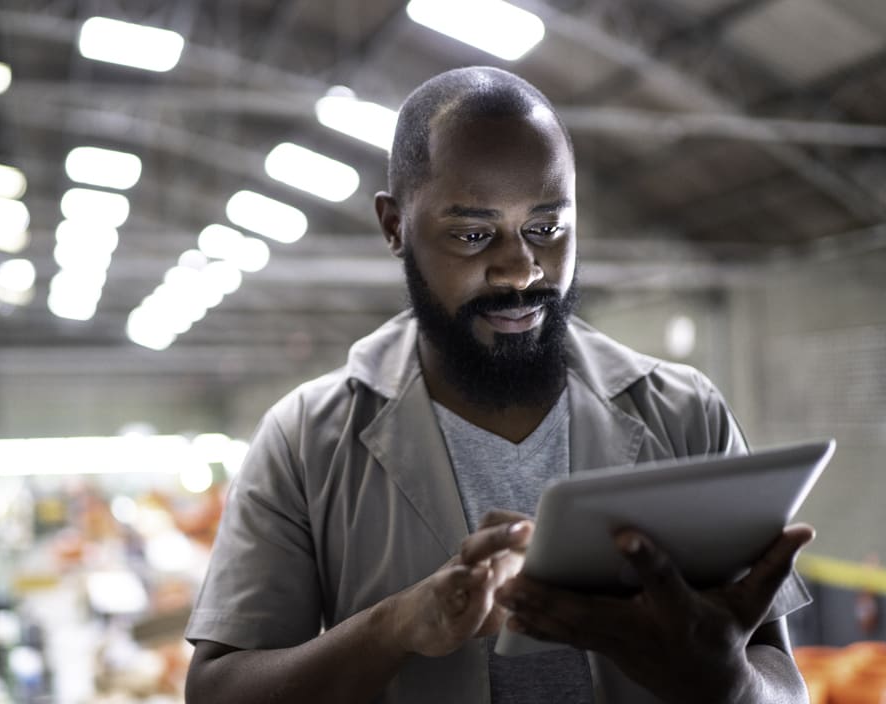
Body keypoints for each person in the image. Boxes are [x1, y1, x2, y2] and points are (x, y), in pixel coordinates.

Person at [183, 66, 814, 704]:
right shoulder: (306, 440)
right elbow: (216, 692)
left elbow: (782, 684)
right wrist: (394, 627)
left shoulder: (686, 415)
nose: (520, 269)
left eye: (548, 228)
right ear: (395, 226)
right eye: (472, 234)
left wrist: (725, 681)